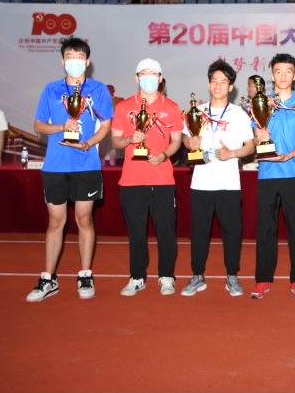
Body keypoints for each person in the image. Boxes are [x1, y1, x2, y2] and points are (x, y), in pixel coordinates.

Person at [25, 37, 113, 302]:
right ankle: (48, 278)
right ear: (63, 61)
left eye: (79, 57)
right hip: (55, 165)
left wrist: (89, 143)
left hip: (86, 164)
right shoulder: (51, 89)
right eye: (70, 57)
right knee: (55, 222)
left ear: (87, 62)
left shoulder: (98, 90)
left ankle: (85, 274)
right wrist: (62, 127)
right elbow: (38, 125)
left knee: (84, 220)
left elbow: (106, 126)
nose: (75, 61)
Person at [180, 59, 255, 298]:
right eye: (214, 81)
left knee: (232, 231)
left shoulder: (239, 114)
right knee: (199, 231)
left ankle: (232, 276)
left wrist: (232, 153)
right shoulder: (197, 111)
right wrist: (189, 143)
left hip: (228, 183)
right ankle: (197, 276)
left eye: (223, 81)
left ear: (231, 87)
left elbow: (250, 146)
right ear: (209, 84)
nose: (218, 85)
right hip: (201, 181)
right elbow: (185, 138)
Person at [111, 58, 182, 297]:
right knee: (136, 233)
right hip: (132, 179)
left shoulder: (172, 107)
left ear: (161, 78)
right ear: (137, 78)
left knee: (166, 232)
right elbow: (115, 141)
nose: (149, 78)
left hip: (162, 179)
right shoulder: (124, 107)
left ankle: (166, 276)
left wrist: (164, 155)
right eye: (144, 74)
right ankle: (137, 276)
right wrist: (129, 139)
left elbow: (176, 141)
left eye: (153, 74)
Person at [250, 54, 295, 300]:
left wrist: (289, 156)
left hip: (293, 173)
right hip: (267, 173)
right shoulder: (261, 103)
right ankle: (263, 279)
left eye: (288, 71)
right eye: (278, 71)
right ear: (272, 75)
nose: (283, 75)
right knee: (265, 229)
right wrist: (259, 136)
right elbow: (255, 138)